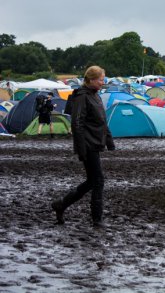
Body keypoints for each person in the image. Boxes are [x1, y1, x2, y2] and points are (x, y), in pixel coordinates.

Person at [51, 66, 115, 228]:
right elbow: (77, 123)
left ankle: (61, 204)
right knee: (98, 180)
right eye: (101, 79)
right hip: (87, 144)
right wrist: (81, 149)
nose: (103, 82)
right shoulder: (82, 97)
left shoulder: (95, 96)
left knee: (92, 181)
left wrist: (109, 140)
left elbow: (102, 120)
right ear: (92, 80)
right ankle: (97, 219)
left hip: (96, 142)